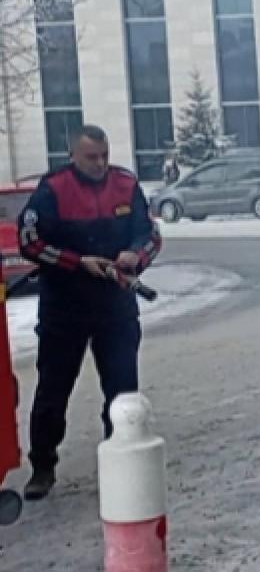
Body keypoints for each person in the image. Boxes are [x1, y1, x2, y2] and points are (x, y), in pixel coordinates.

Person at [18, 125, 163, 500]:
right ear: (73, 156)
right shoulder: (53, 189)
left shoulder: (125, 185)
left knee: (122, 388)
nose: (99, 164)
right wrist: (78, 262)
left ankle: (123, 459)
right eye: (91, 157)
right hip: (64, 306)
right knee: (53, 389)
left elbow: (150, 235)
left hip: (115, 303)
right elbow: (29, 243)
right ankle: (43, 465)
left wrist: (136, 256)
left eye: (104, 155)